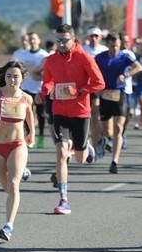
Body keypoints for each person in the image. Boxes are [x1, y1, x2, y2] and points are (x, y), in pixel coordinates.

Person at [38, 24, 105, 214]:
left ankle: (87, 148)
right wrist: (44, 92)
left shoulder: (84, 57)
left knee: (79, 158)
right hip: (59, 110)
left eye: (64, 40)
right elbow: (49, 80)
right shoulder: (50, 60)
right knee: (60, 152)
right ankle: (63, 199)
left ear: (73, 39)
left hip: (80, 111)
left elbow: (100, 83)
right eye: (58, 40)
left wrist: (79, 91)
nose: (60, 44)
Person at [0, 61, 35, 240]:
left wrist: (31, 134)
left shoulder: (26, 98)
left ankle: (8, 225)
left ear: (22, 78)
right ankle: (22, 171)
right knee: (5, 186)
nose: (12, 79)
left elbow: (29, 117)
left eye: (16, 76)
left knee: (13, 184)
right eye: (9, 76)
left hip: (17, 144)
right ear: (4, 77)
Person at [94, 32, 142, 174]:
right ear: (108, 44)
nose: (115, 48)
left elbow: (139, 67)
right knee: (107, 130)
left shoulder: (124, 56)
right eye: (112, 45)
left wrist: (126, 74)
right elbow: (93, 71)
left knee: (118, 128)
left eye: (117, 45)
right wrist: (97, 87)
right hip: (105, 94)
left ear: (120, 45)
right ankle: (106, 140)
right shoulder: (100, 57)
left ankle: (114, 161)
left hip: (119, 94)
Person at [12, 32, 49, 149]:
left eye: (34, 39)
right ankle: (29, 136)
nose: (32, 41)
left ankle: (41, 136)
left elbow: (48, 72)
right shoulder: (23, 55)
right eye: (30, 39)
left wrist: (41, 75)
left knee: (40, 113)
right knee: (26, 113)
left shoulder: (44, 55)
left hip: (39, 88)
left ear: (39, 40)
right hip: (25, 88)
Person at [83, 26, 108, 153]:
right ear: (88, 37)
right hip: (87, 88)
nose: (94, 38)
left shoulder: (105, 50)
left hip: (102, 87)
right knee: (92, 116)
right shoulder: (83, 50)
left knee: (99, 117)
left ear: (100, 37)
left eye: (96, 36)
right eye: (91, 36)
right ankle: (94, 145)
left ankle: (102, 137)